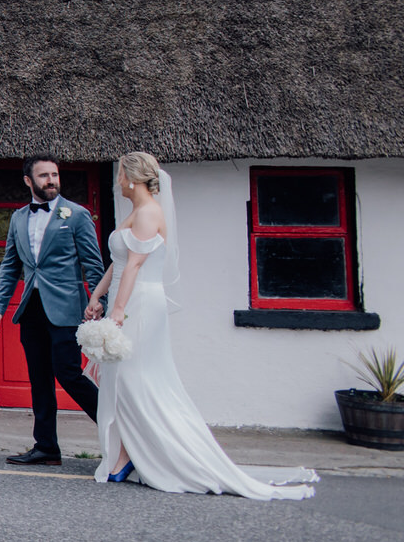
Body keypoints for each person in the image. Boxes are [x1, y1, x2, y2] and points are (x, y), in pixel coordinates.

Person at [84, 151, 317, 499]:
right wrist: (97, 296)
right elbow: (117, 264)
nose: (117, 182)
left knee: (135, 378)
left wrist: (117, 311)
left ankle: (136, 454)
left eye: (119, 176)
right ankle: (125, 452)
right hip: (123, 297)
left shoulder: (149, 213)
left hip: (141, 303)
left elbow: (134, 266)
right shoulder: (135, 212)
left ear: (131, 178)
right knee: (119, 378)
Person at [0, 155, 104, 466]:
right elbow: (10, 266)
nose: (51, 180)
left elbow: (93, 265)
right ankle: (46, 448)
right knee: (39, 379)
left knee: (69, 374)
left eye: (54, 174)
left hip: (66, 308)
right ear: (29, 181)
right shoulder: (18, 219)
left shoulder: (77, 215)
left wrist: (100, 300)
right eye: (44, 176)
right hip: (32, 309)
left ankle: (117, 429)